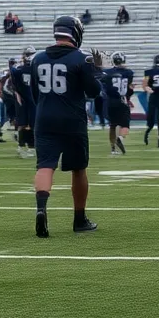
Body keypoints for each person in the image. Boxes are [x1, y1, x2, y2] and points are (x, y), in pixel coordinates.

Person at [28, 16, 103, 237]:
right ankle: (79, 219)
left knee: (45, 166)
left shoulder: (37, 58)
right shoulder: (83, 59)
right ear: (75, 32)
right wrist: (98, 73)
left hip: (44, 118)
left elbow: (34, 93)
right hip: (72, 120)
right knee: (78, 169)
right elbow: (93, 92)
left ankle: (41, 210)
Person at [103, 51, 134, 155]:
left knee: (112, 125)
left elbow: (104, 87)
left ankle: (113, 149)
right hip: (122, 99)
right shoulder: (129, 73)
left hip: (110, 101)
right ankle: (120, 138)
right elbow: (130, 88)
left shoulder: (107, 72)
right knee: (125, 125)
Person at [10, 46, 38, 158]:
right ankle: (21, 146)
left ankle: (31, 147)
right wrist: (17, 94)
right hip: (22, 98)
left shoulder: (36, 68)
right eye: (29, 54)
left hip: (33, 99)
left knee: (32, 124)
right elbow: (14, 85)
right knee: (22, 123)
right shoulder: (18, 69)